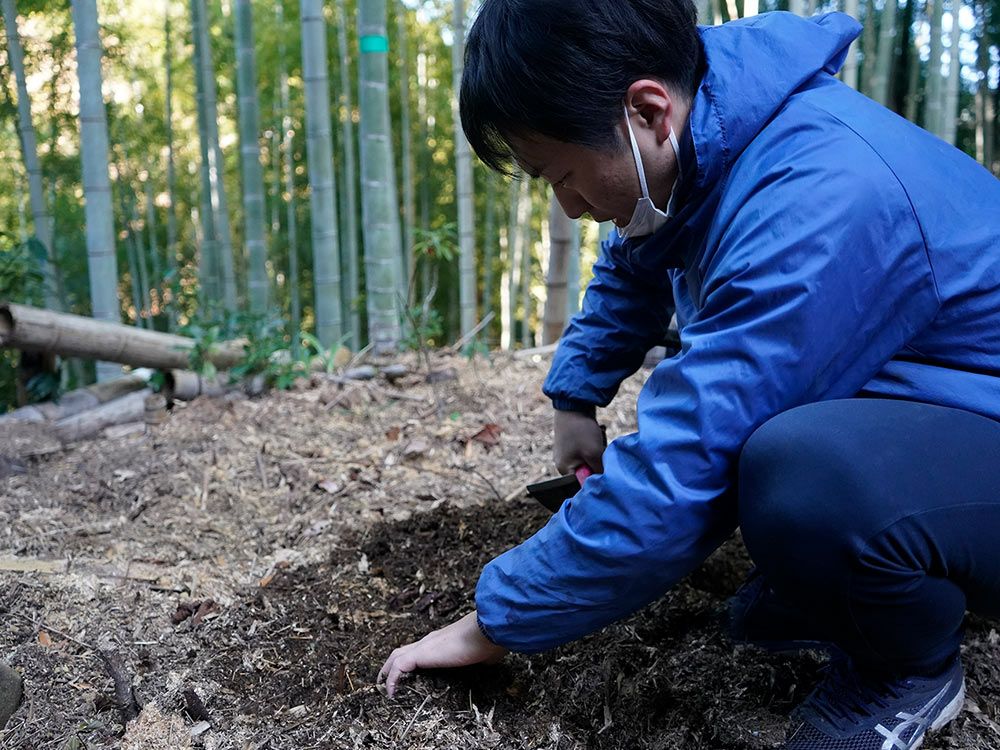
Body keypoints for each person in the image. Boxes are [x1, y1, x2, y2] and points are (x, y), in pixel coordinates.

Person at [378, 1, 1000, 747]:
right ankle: (837, 584)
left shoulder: (818, 195)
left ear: (648, 111)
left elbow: (689, 456)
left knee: (803, 475)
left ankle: (907, 672)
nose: (568, 206)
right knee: (779, 467)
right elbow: (636, 257)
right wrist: (575, 396)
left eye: (563, 174)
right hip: (948, 419)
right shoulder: (720, 132)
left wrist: (492, 623)